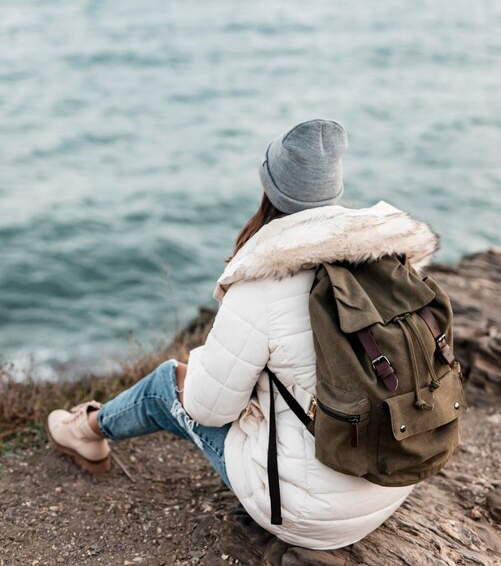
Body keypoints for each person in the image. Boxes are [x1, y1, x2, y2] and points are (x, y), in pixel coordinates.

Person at [47, 119, 438, 550]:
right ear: (334, 190)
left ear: (269, 189)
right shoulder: (389, 265)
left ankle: (83, 431)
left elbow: (205, 408)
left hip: (305, 514)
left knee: (167, 383)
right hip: (394, 480)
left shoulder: (262, 285)